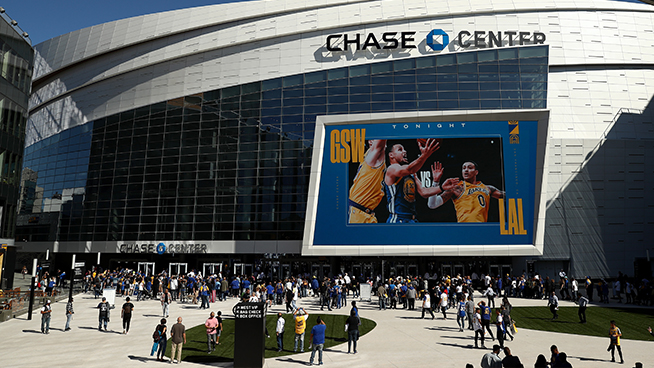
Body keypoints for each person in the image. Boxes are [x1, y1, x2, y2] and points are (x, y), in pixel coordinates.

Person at [383, 140, 457, 223]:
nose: (404, 151)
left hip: (412, 219)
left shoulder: (412, 174)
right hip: (397, 219)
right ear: (391, 155)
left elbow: (424, 192)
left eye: (404, 149)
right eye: (400, 150)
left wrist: (441, 187)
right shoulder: (392, 169)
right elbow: (409, 169)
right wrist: (425, 155)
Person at [432, 161, 505, 222]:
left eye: (470, 168)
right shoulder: (457, 188)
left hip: (482, 228)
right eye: (464, 168)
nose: (466, 170)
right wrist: (436, 182)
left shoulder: (488, 188)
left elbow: (509, 195)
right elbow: (433, 204)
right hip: (464, 228)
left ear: (476, 172)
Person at [348, 139, 387, 223]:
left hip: (368, 213)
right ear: (370, 142)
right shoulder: (373, 156)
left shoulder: (368, 157)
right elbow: (380, 144)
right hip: (358, 213)